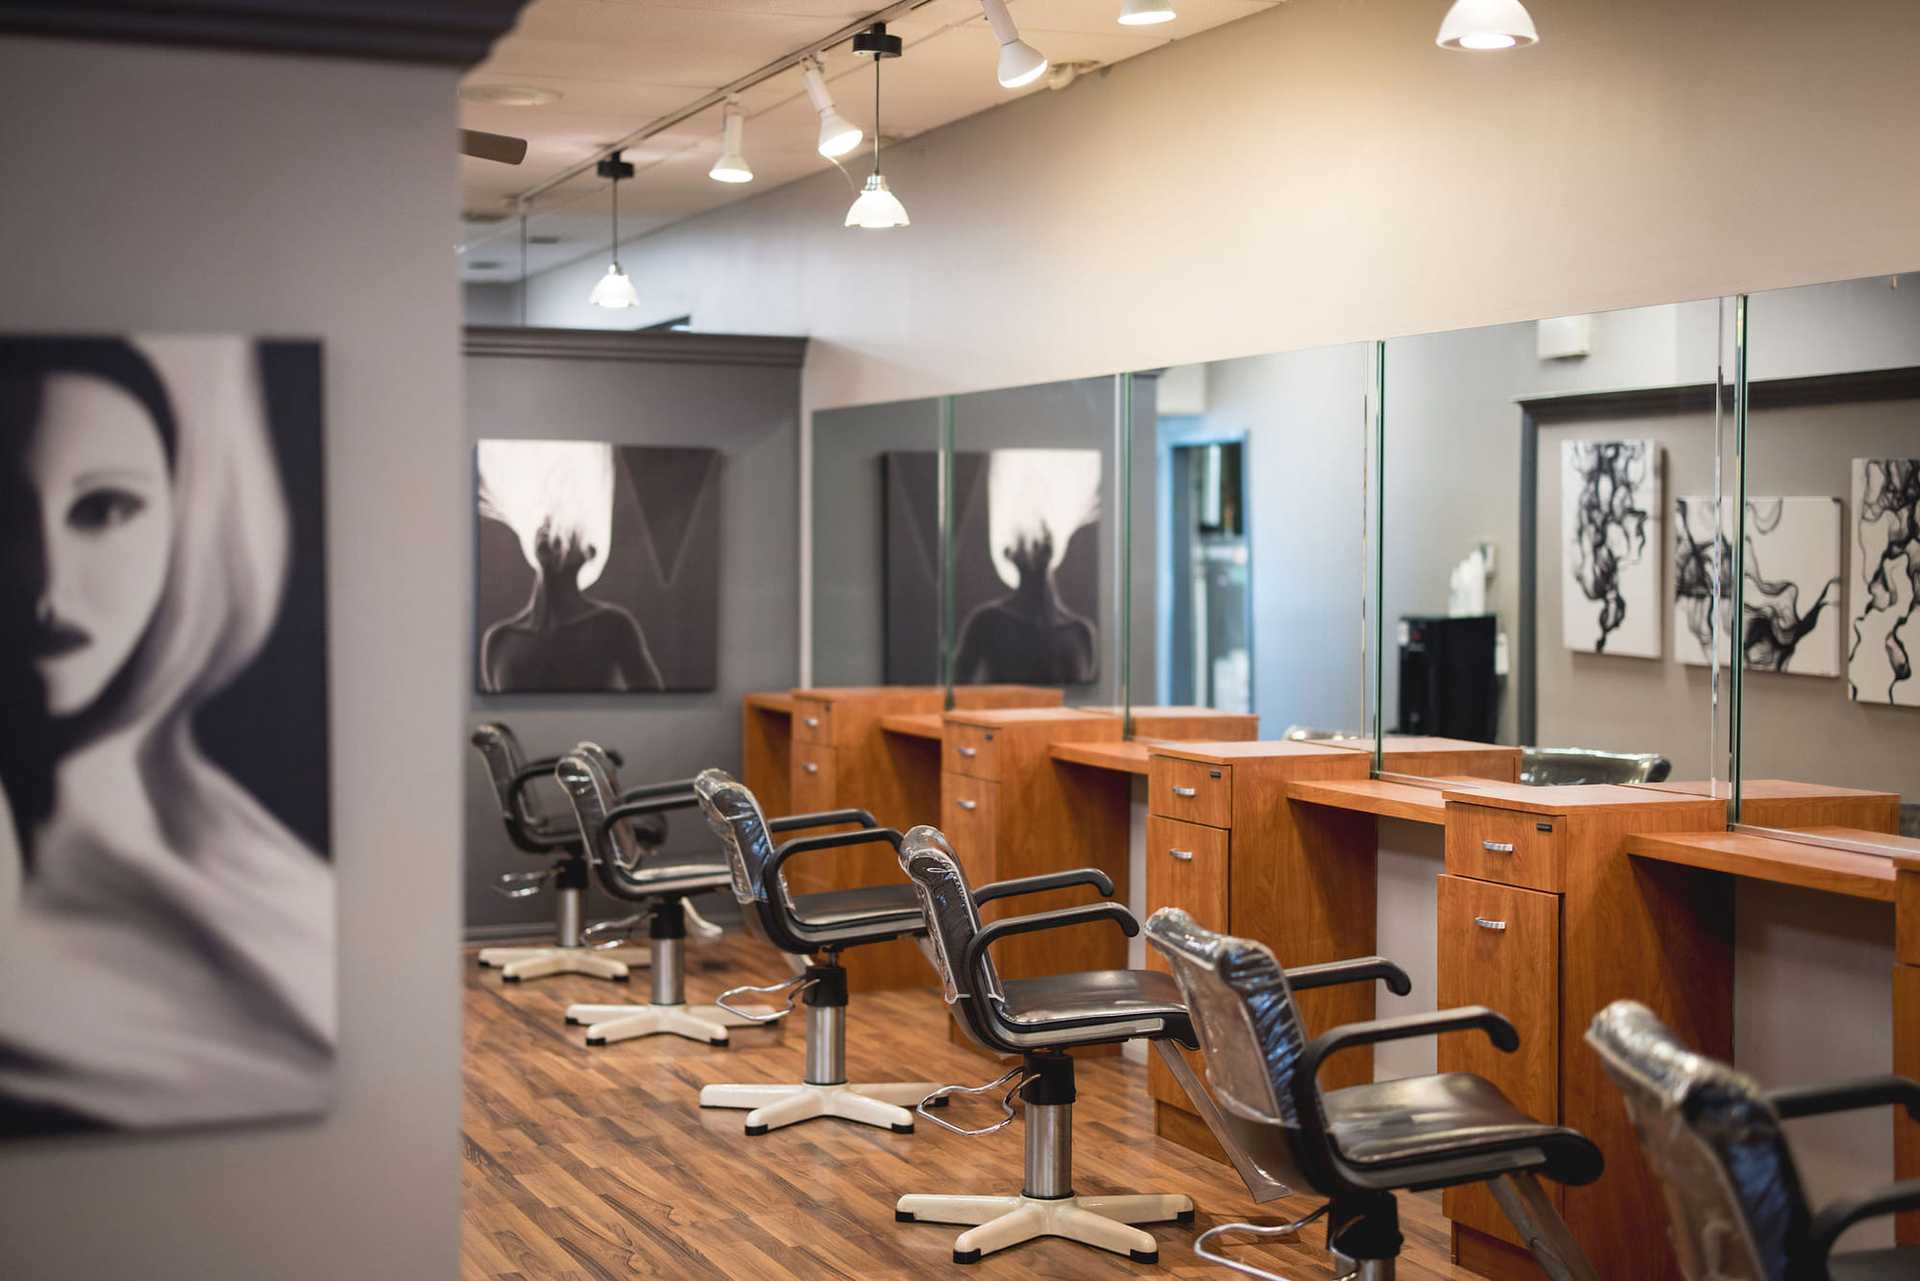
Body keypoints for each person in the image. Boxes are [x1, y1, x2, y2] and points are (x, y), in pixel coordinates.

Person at [0, 335, 333, 1135]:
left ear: (185, 524)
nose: (47, 580)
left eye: (104, 508)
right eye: (5, 513)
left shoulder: (263, 870)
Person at [476, 439, 663, 693]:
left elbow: (650, 707)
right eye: (547, 520)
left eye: (570, 525)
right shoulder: (499, 640)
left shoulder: (613, 627)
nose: (550, 527)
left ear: (589, 552)